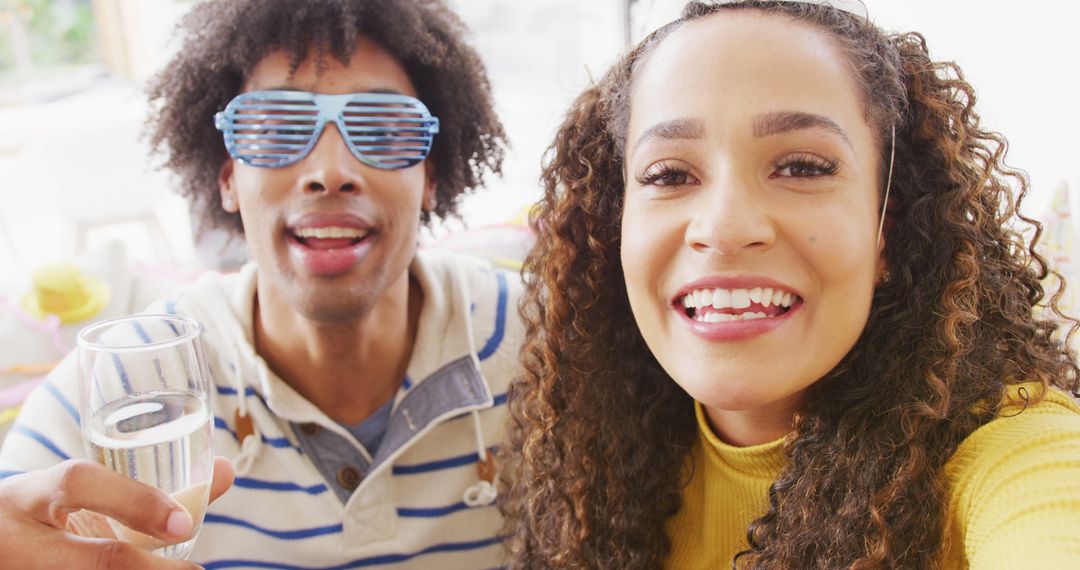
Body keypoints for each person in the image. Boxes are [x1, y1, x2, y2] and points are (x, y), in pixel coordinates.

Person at [500, 1, 1080, 568]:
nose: (724, 228)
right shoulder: (585, 465)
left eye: (802, 167)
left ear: (888, 225)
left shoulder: (1016, 455)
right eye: (669, 174)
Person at [0, 0, 523, 568]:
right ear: (228, 178)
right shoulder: (132, 384)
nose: (329, 171)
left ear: (431, 176)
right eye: (275, 129)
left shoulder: (541, 344)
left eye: (380, 129)